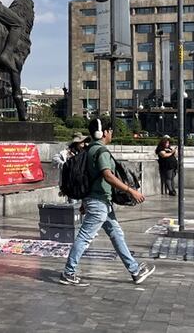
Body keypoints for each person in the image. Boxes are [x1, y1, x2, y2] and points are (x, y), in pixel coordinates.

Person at [59, 120, 155, 287]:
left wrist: (85, 201)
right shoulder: (101, 151)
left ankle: (135, 271)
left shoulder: (89, 149)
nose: (111, 133)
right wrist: (130, 190)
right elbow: (108, 175)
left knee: (117, 235)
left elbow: (88, 177)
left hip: (100, 201)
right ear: (103, 132)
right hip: (99, 203)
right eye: (110, 130)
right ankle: (68, 272)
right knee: (84, 237)